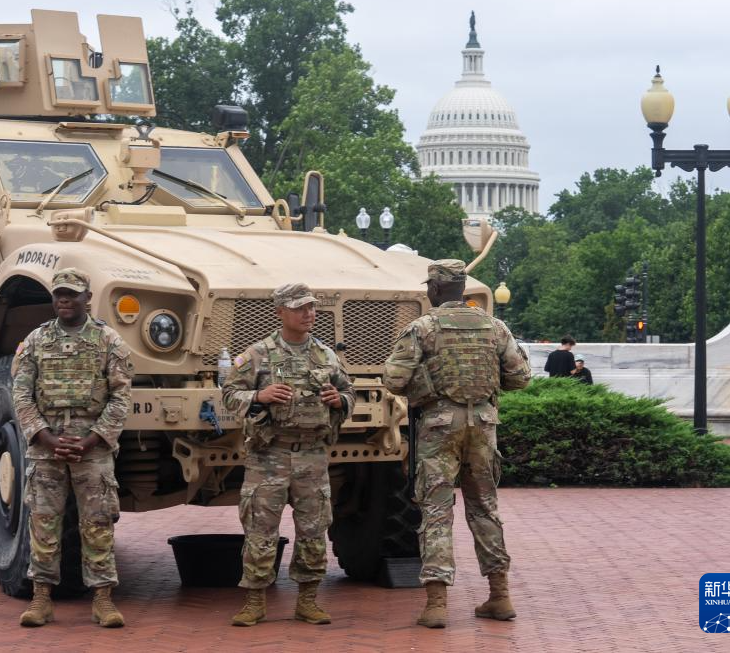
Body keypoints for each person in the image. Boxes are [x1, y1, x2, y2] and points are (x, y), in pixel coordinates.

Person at [383, 260, 531, 629]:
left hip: (439, 425)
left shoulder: (423, 327)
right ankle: (500, 596)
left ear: (434, 289)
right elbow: (520, 377)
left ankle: (436, 604)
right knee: (485, 508)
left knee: (436, 511)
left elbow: (394, 379)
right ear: (462, 288)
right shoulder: (495, 326)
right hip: (483, 424)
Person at [222, 283, 355, 627]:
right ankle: (254, 602)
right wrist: (259, 396)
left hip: (312, 456)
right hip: (269, 455)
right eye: (299, 308)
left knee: (313, 531)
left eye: (311, 307)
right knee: (260, 531)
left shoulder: (326, 355)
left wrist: (339, 401)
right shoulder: (257, 354)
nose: (308, 314)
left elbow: (349, 393)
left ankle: (307, 601)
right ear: (280, 312)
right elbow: (229, 394)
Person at [13, 267, 134, 628]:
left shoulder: (108, 341)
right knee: (43, 523)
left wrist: (92, 440)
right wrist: (45, 438)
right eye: (58, 294)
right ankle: (41, 599)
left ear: (87, 298)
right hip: (46, 448)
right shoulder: (35, 341)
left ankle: (103, 600)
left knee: (98, 523)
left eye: (71, 294)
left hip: (92, 449)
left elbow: (121, 397)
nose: (64, 300)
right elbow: (21, 394)